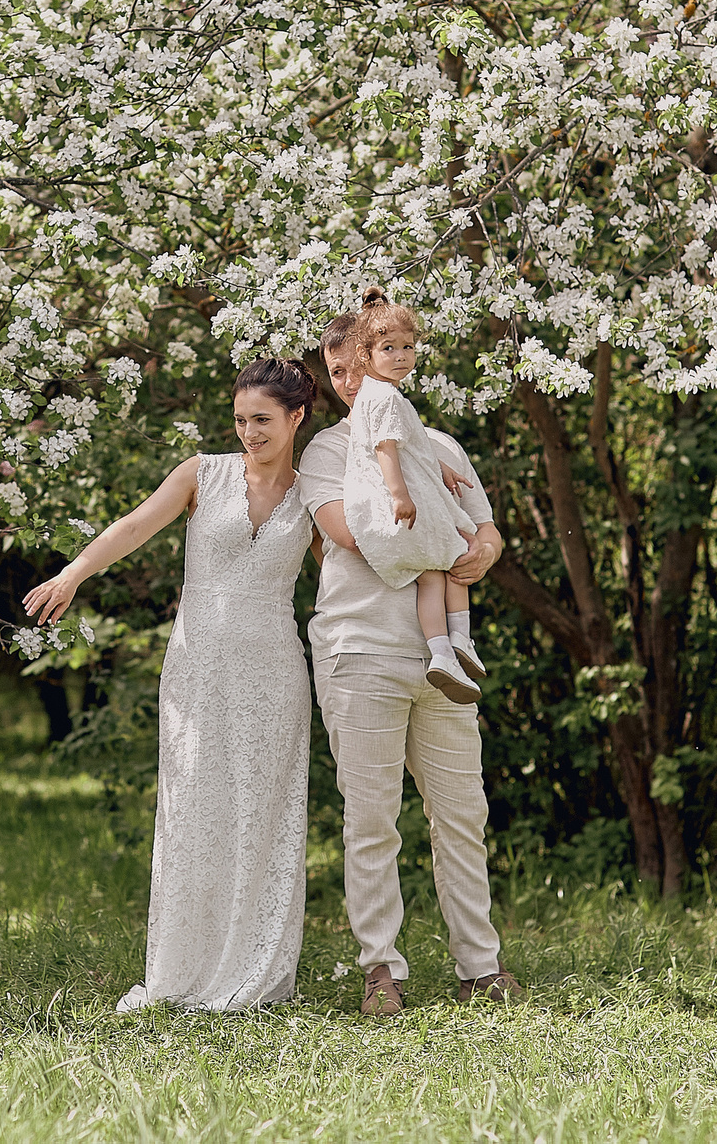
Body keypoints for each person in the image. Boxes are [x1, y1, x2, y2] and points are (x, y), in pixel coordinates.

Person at [23, 358, 318, 1010]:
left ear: (297, 417)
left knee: (261, 817)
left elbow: (350, 571)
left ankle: (254, 972)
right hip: (198, 665)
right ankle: (180, 973)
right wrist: (74, 573)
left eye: (262, 420)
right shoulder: (202, 473)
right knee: (192, 813)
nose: (249, 432)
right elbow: (134, 525)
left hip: (274, 667)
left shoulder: (313, 494)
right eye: (240, 419)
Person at [303, 312, 525, 1016]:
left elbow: (483, 527)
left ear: (377, 358)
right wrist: (440, 537)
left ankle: (480, 967)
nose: (347, 381)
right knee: (372, 820)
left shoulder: (438, 441)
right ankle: (381, 969)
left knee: (462, 812)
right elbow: (358, 537)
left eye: (354, 366)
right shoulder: (325, 452)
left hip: (445, 660)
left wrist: (482, 550)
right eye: (335, 371)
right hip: (360, 649)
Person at [338, 288, 485, 701]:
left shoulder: (375, 395)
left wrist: (441, 467)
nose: (401, 355)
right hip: (397, 509)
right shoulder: (384, 397)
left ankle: (442, 652)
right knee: (456, 555)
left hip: (381, 511)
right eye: (389, 347)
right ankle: (460, 638)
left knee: (431, 576)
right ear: (366, 355)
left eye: (407, 346)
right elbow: (386, 449)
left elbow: (411, 446)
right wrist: (400, 494)